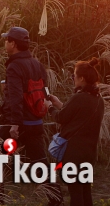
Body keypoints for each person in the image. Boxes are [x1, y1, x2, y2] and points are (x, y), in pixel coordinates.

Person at [0, 27, 62, 205]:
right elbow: (44, 92)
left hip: (17, 125)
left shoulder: (14, 66)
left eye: (7, 40)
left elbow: (15, 98)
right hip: (35, 123)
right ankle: (56, 199)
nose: (5, 43)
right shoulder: (37, 64)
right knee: (40, 162)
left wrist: (14, 125)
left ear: (13, 43)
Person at [45, 58, 105, 206]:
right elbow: (77, 114)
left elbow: (60, 117)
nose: (73, 79)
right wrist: (58, 103)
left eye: (74, 76)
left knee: (75, 193)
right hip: (89, 153)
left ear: (82, 78)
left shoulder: (78, 97)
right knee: (85, 191)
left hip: (73, 153)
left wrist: (49, 107)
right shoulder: (99, 100)